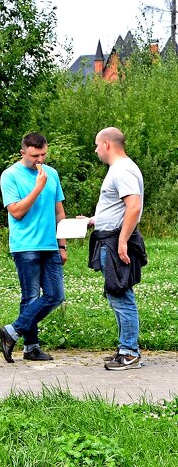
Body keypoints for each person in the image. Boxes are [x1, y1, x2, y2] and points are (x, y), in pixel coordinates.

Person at [0, 132, 68, 363]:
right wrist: (37, 188)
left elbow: (58, 211)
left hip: (50, 245)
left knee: (56, 295)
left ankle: (12, 330)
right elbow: (16, 211)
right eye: (35, 155)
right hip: (25, 245)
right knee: (30, 297)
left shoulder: (52, 174)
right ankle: (31, 347)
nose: (40, 160)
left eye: (43, 154)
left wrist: (62, 244)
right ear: (23, 152)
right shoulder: (10, 176)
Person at [88, 127, 147, 371]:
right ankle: (125, 348)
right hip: (110, 237)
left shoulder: (122, 169)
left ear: (107, 144)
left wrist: (122, 240)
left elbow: (133, 206)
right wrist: (95, 219)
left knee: (121, 295)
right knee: (117, 294)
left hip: (114, 242)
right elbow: (118, 208)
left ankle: (130, 352)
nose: (96, 150)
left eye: (96, 145)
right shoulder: (121, 169)